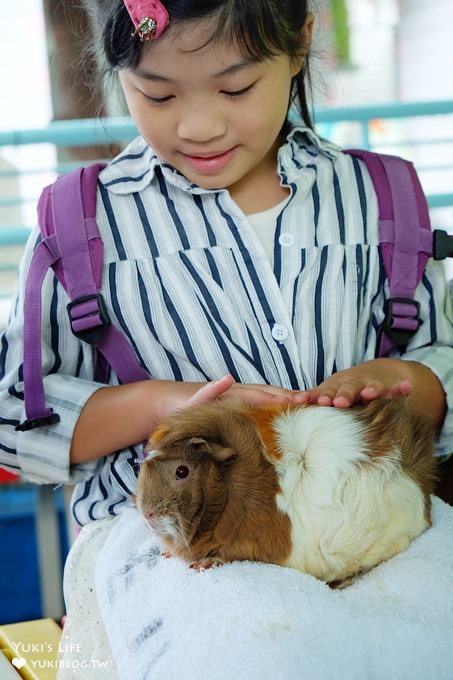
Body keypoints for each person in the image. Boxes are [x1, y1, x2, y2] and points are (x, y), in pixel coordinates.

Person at [0, 0, 452, 677]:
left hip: (373, 520)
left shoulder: (378, 196)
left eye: (236, 87)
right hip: (178, 547)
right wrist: (159, 406)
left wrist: (409, 383)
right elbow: (13, 414)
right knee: (260, 652)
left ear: (299, 42)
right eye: (156, 93)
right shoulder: (82, 223)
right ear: (117, 67)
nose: (199, 124)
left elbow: (436, 358)